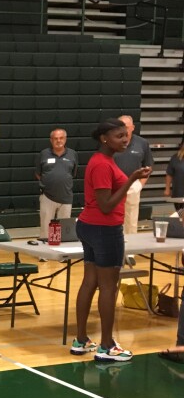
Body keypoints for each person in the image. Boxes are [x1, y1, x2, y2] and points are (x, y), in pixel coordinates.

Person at [72, 119, 151, 362]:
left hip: (91, 226)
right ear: (104, 138)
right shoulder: (101, 165)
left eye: (126, 135)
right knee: (108, 286)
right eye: (119, 136)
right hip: (104, 229)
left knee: (90, 282)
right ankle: (106, 345)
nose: (125, 140)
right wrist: (132, 179)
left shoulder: (104, 161)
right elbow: (106, 205)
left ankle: (81, 340)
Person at [35, 128, 77, 240]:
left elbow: (72, 173)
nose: (58, 141)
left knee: (63, 228)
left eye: (61, 138)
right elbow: (38, 173)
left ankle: (62, 254)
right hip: (47, 196)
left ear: (65, 139)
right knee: (45, 226)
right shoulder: (44, 154)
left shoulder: (72, 154)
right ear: (51, 140)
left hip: (66, 196)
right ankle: (43, 253)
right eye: (55, 138)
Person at [114, 115, 153, 234]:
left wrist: (140, 185)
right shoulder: (112, 142)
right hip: (114, 185)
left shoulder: (142, 143)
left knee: (131, 219)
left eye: (126, 126)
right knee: (114, 218)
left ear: (132, 128)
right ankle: (115, 246)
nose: (123, 129)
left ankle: (130, 250)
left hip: (133, 184)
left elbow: (148, 166)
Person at [164, 138, 184, 211]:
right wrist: (167, 189)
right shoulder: (175, 158)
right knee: (180, 216)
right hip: (179, 194)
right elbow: (169, 174)